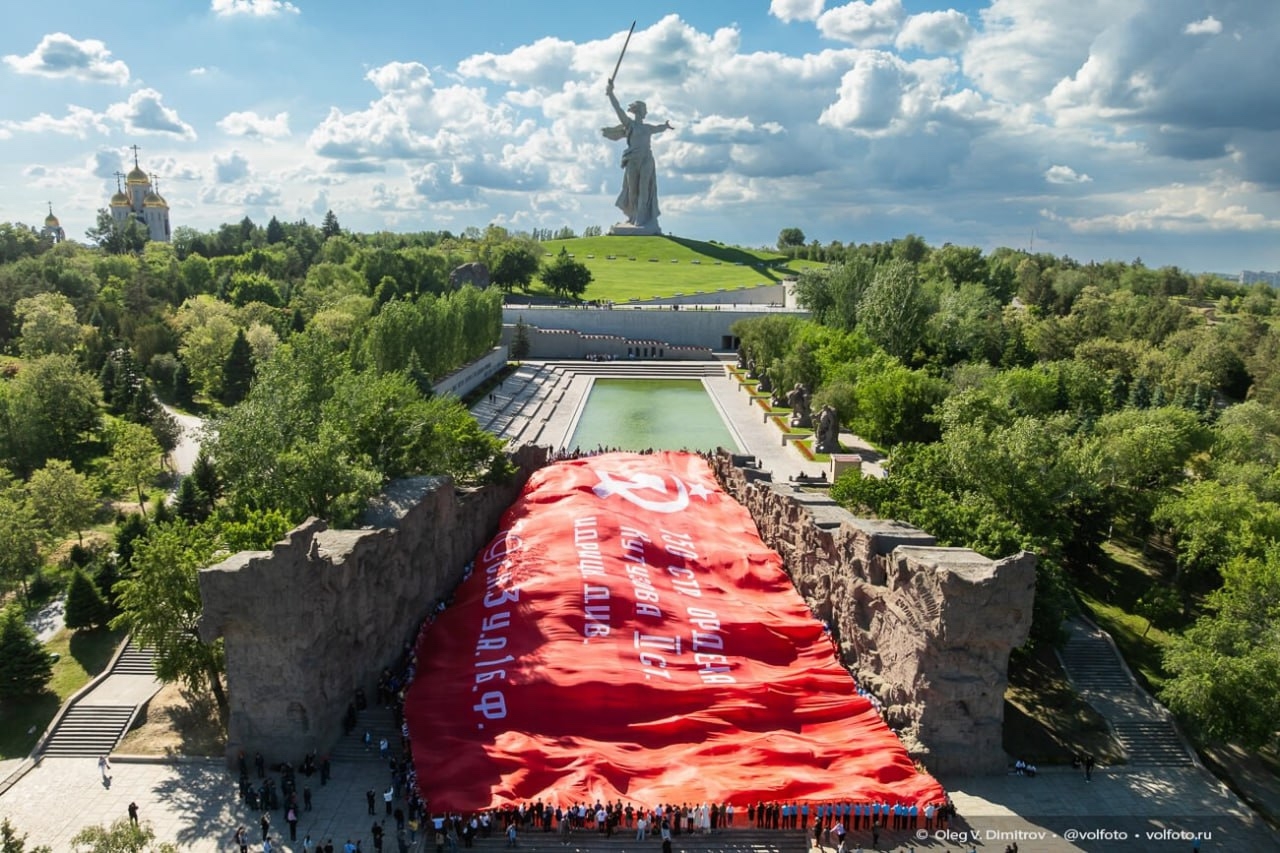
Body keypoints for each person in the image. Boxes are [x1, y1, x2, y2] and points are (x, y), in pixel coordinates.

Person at [601, 79, 672, 233]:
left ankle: (641, 218)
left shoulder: (647, 128)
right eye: (644, 110)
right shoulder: (630, 125)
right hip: (633, 160)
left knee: (645, 188)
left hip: (646, 159)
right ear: (639, 111)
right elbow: (618, 109)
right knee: (632, 190)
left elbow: (659, 128)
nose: (645, 112)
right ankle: (633, 216)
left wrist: (665, 126)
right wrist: (611, 93)